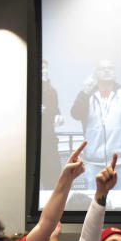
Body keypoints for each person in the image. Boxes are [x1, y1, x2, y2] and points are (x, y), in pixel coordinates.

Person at [70, 59, 121, 190]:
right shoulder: (88, 95)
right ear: (96, 74)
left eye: (110, 68)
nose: (106, 71)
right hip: (93, 163)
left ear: (115, 73)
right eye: (102, 69)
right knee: (94, 205)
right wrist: (85, 91)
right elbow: (76, 113)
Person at [40, 59, 66, 191]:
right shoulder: (32, 90)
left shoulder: (51, 90)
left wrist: (58, 117)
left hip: (49, 141)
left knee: (53, 180)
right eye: (41, 69)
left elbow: (55, 110)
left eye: (45, 68)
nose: (44, 72)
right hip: (37, 142)